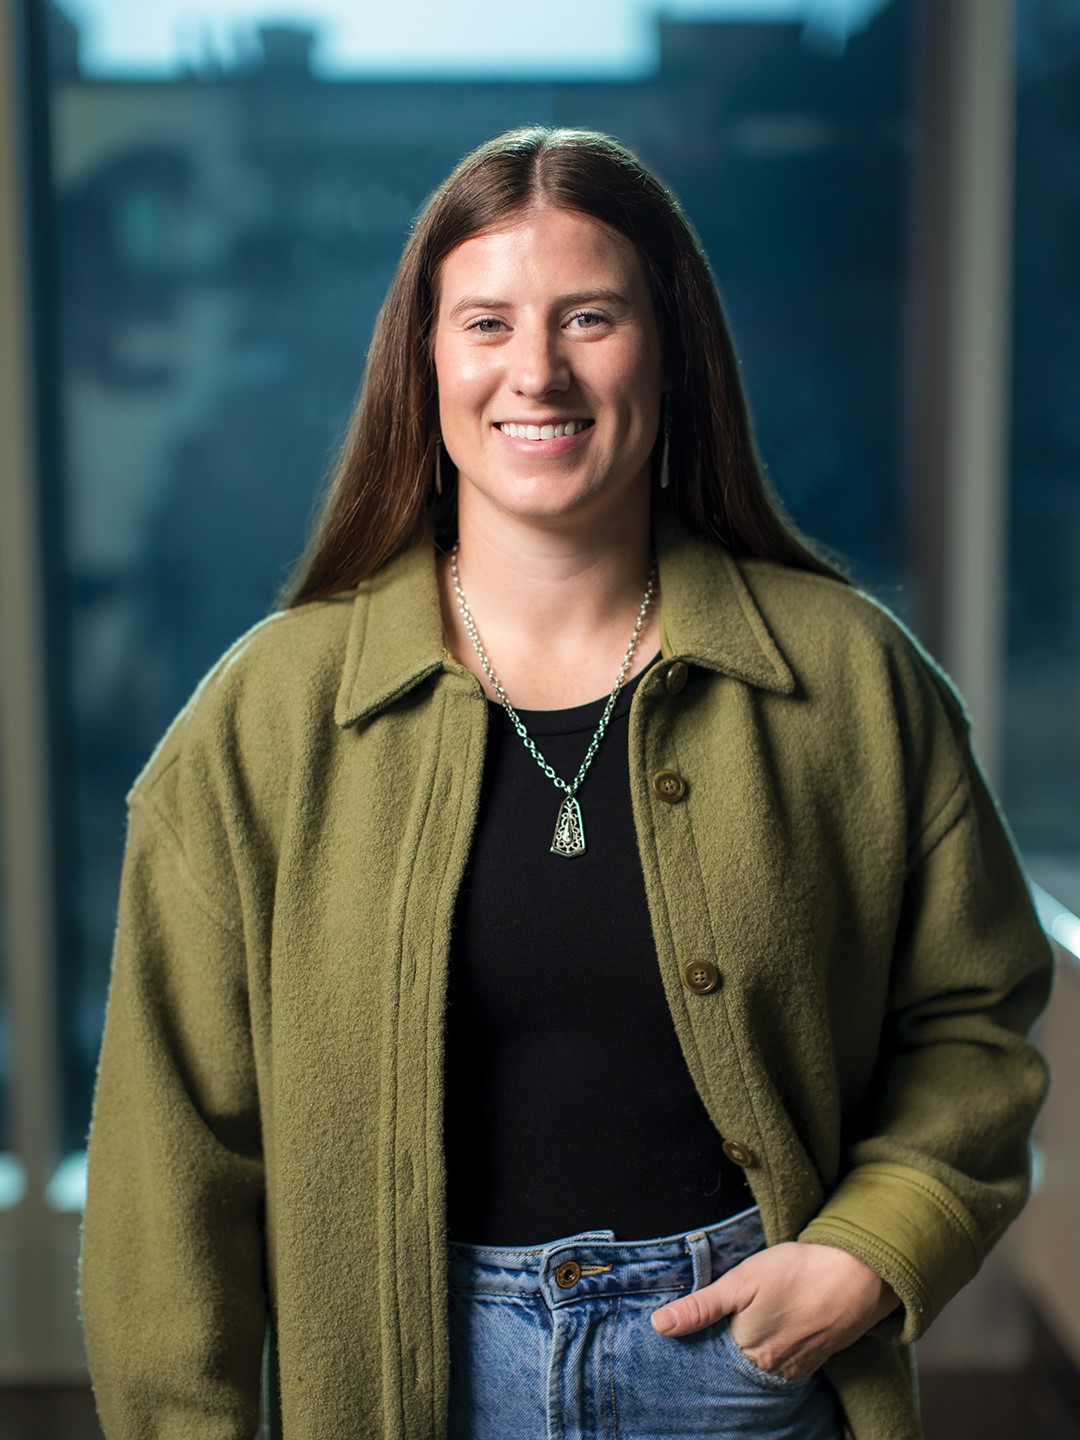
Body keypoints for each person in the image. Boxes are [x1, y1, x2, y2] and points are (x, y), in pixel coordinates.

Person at [79, 127, 1052, 1440]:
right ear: (426, 361)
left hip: (742, 1366)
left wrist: (876, 1246)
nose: (535, 370)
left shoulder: (848, 679)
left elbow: (976, 1021)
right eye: (486, 320)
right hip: (404, 1386)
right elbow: (172, 1167)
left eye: (589, 317)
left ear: (672, 351)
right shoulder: (265, 721)